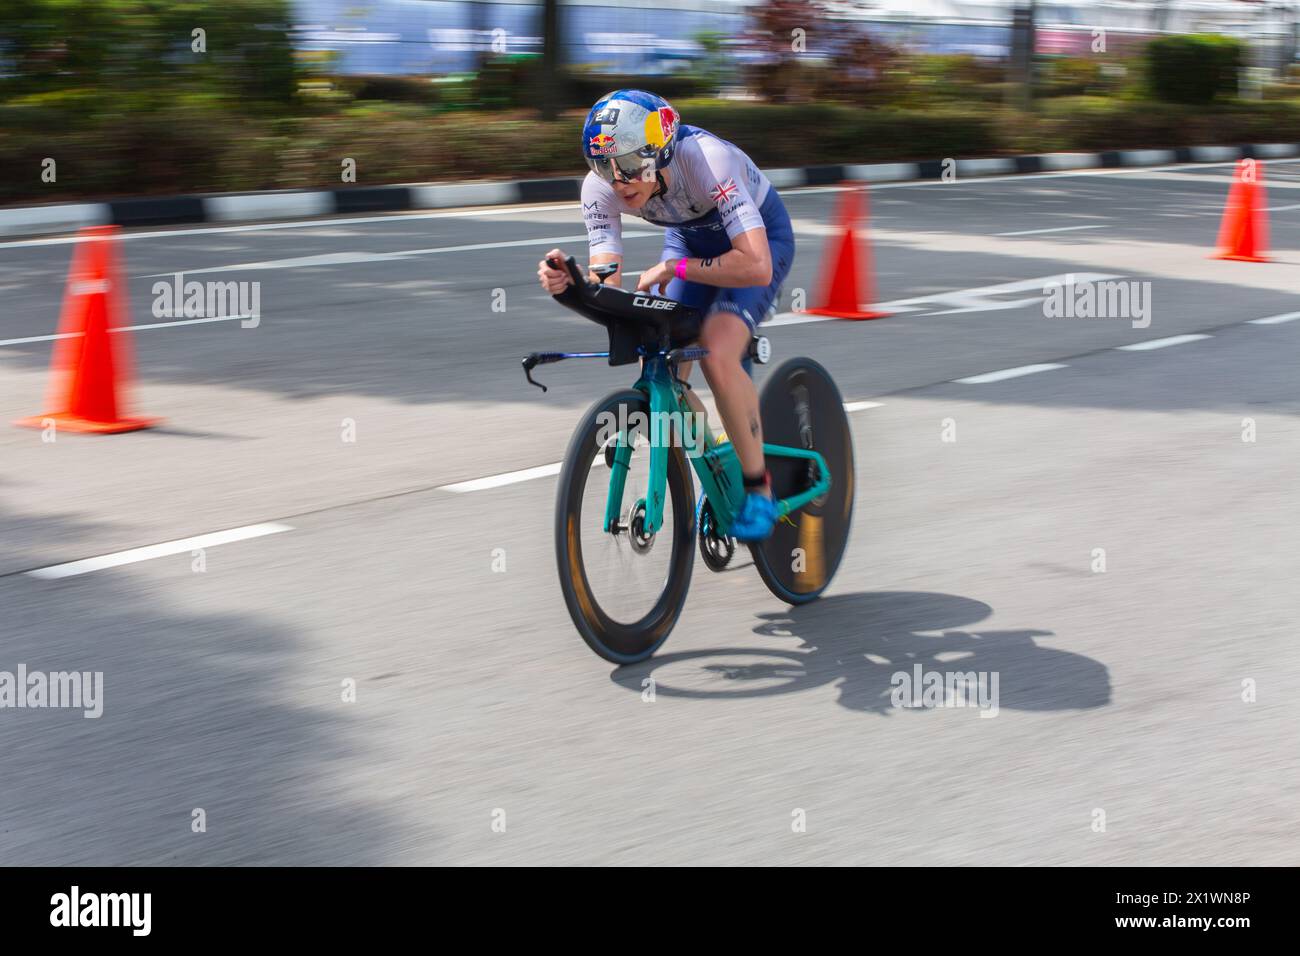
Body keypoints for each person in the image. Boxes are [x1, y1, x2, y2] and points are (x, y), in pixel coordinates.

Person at [537, 89, 795, 541]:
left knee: (716, 353)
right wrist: (571, 287)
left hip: (759, 244)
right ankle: (714, 459)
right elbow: (607, 286)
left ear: (661, 151)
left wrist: (673, 266)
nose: (619, 182)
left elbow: (755, 265)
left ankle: (758, 488)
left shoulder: (709, 160)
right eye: (605, 167)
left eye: (631, 165)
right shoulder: (600, 187)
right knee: (658, 356)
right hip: (689, 244)